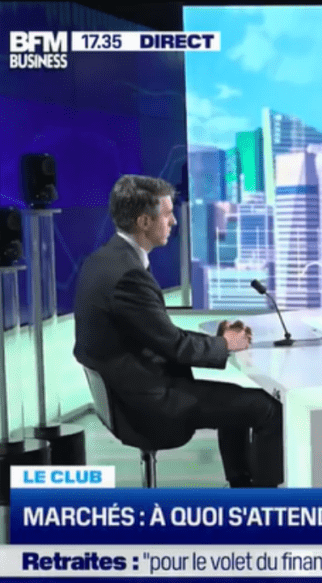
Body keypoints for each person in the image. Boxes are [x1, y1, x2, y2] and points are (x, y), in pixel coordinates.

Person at [74, 174, 283, 488]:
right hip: (146, 403)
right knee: (267, 409)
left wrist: (218, 341)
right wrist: (225, 344)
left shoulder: (105, 259)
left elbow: (156, 333)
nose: (173, 221)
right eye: (167, 214)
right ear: (144, 221)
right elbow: (173, 346)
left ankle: (241, 485)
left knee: (237, 401)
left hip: (124, 392)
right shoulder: (128, 274)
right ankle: (263, 504)